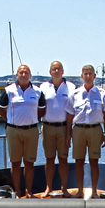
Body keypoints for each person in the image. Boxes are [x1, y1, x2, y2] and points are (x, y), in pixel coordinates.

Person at [0, 64, 45, 197]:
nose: (24, 75)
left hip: (31, 130)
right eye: (21, 72)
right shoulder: (8, 90)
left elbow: (42, 110)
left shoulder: (37, 91)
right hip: (14, 131)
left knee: (30, 163)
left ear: (30, 75)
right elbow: (1, 110)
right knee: (16, 163)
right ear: (17, 75)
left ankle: (29, 191)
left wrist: (30, 119)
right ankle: (17, 191)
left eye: (26, 72)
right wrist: (13, 121)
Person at [66, 64, 105, 198]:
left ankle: (94, 191)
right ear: (82, 76)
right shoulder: (75, 94)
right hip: (79, 130)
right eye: (86, 74)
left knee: (94, 161)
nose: (88, 76)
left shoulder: (102, 94)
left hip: (95, 130)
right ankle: (80, 191)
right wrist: (68, 134)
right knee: (79, 162)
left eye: (90, 73)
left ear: (94, 76)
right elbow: (69, 116)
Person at [37, 61, 75, 197]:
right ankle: (49, 188)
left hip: (64, 128)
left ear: (63, 71)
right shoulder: (43, 87)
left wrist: (69, 133)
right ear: (50, 72)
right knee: (49, 159)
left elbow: (72, 110)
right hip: (47, 127)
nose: (56, 71)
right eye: (54, 69)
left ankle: (64, 189)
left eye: (59, 69)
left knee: (63, 159)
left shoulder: (71, 87)